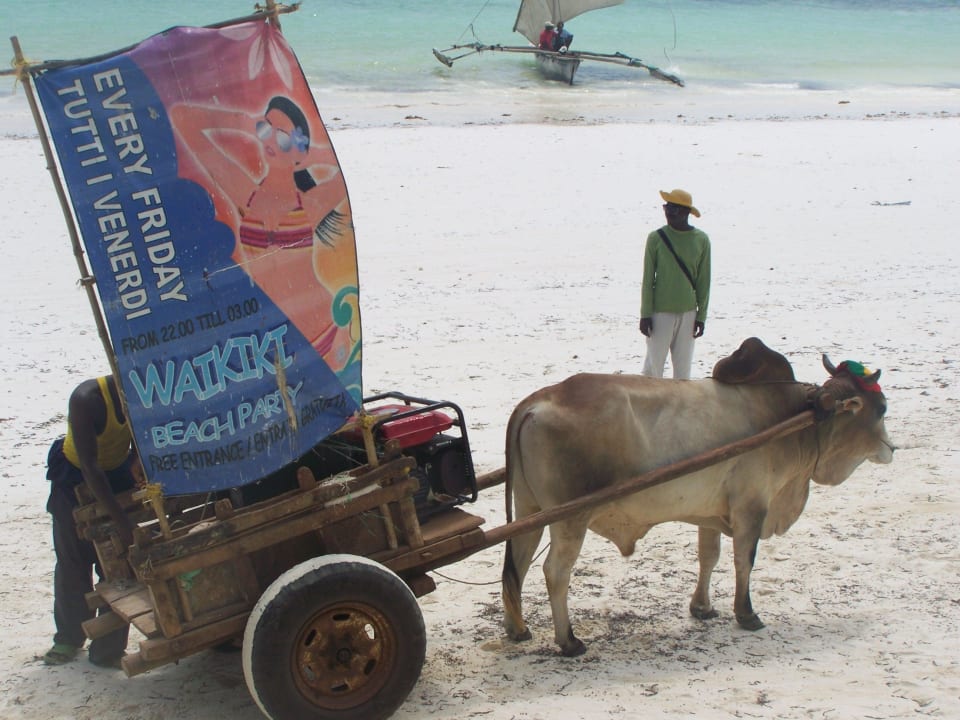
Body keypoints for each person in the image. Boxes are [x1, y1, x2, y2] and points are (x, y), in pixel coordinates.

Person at [42, 375, 140, 667]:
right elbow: (90, 466)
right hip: (75, 477)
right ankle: (68, 638)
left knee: (118, 564)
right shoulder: (86, 399)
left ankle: (107, 649)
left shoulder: (145, 388)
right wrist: (122, 521)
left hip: (117, 472)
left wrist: (137, 458)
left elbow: (143, 436)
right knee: (74, 561)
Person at [639, 189, 711, 379]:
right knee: (653, 370)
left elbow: (704, 281)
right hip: (659, 313)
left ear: (686, 212)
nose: (669, 212)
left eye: (674, 209)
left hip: (689, 313)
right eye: (667, 207)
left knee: (683, 372)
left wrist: (701, 316)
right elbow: (648, 280)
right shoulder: (656, 238)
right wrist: (645, 314)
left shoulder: (702, 240)